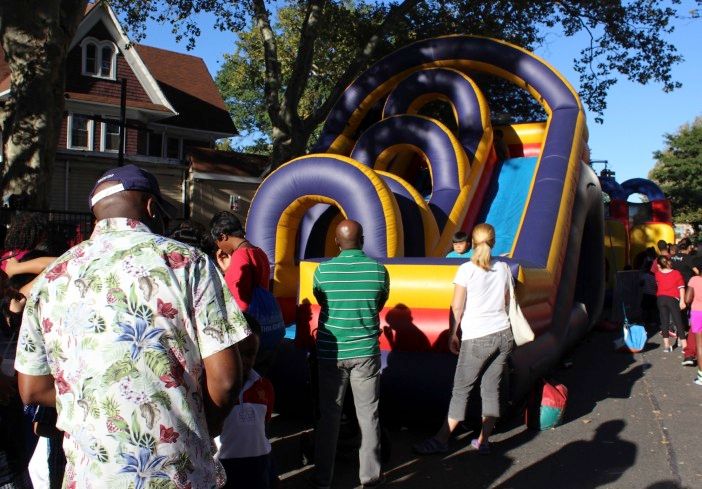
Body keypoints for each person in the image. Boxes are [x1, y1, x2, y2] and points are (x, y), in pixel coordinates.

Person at [14, 164, 250, 488]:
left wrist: (95, 399)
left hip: (91, 477)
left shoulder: (52, 278)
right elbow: (225, 382)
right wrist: (198, 422)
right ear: (151, 208)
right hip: (178, 472)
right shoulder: (187, 263)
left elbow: (31, 388)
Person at [414, 223, 514, 455]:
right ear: (494, 241)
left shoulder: (467, 270)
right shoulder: (504, 268)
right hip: (503, 334)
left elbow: (457, 306)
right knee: (491, 389)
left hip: (478, 337)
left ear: (473, 243)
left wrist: (452, 333)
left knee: (461, 391)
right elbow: (507, 301)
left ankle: (441, 439)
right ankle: (483, 440)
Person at [310, 219, 388, 489]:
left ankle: (323, 480)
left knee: (329, 416)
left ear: (336, 242)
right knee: (369, 416)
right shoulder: (379, 271)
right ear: (362, 239)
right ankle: (370, 479)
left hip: (331, 352)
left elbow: (322, 301)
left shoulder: (322, 271)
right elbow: (379, 303)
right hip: (366, 351)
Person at [216, 313, 276, 488]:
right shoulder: (214, 390)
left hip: (258, 467)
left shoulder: (264, 388)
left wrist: (272, 471)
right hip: (222, 466)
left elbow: (263, 430)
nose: (243, 360)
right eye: (236, 353)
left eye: (250, 354)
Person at [210, 211, 270, 312]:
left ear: (223, 237)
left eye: (217, 242)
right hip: (263, 316)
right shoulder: (259, 252)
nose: (219, 248)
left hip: (247, 320)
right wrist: (228, 269)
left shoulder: (240, 256)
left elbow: (240, 299)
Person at [654, 255, 686, 353]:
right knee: (678, 321)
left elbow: (658, 284)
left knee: (664, 322)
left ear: (659, 265)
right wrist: (682, 301)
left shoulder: (657, 274)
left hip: (660, 299)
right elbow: (681, 287)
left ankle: (666, 346)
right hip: (672, 299)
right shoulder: (676, 273)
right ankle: (685, 346)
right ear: (668, 262)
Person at [687, 268, 702, 384]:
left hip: (698, 313)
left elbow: (687, 299)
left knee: (700, 346)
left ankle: (701, 376)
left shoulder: (694, 280)